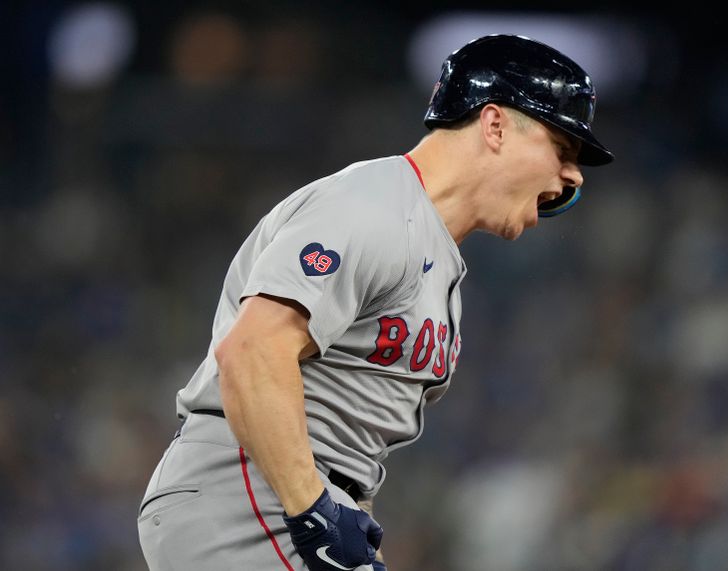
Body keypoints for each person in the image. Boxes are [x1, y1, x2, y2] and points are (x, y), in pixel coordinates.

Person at [137, 33, 614, 571]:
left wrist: (351, 534)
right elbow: (251, 353)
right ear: (495, 125)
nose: (572, 174)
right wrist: (314, 513)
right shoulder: (373, 205)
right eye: (563, 148)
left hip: (291, 498)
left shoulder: (437, 262)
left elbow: (354, 448)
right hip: (247, 490)